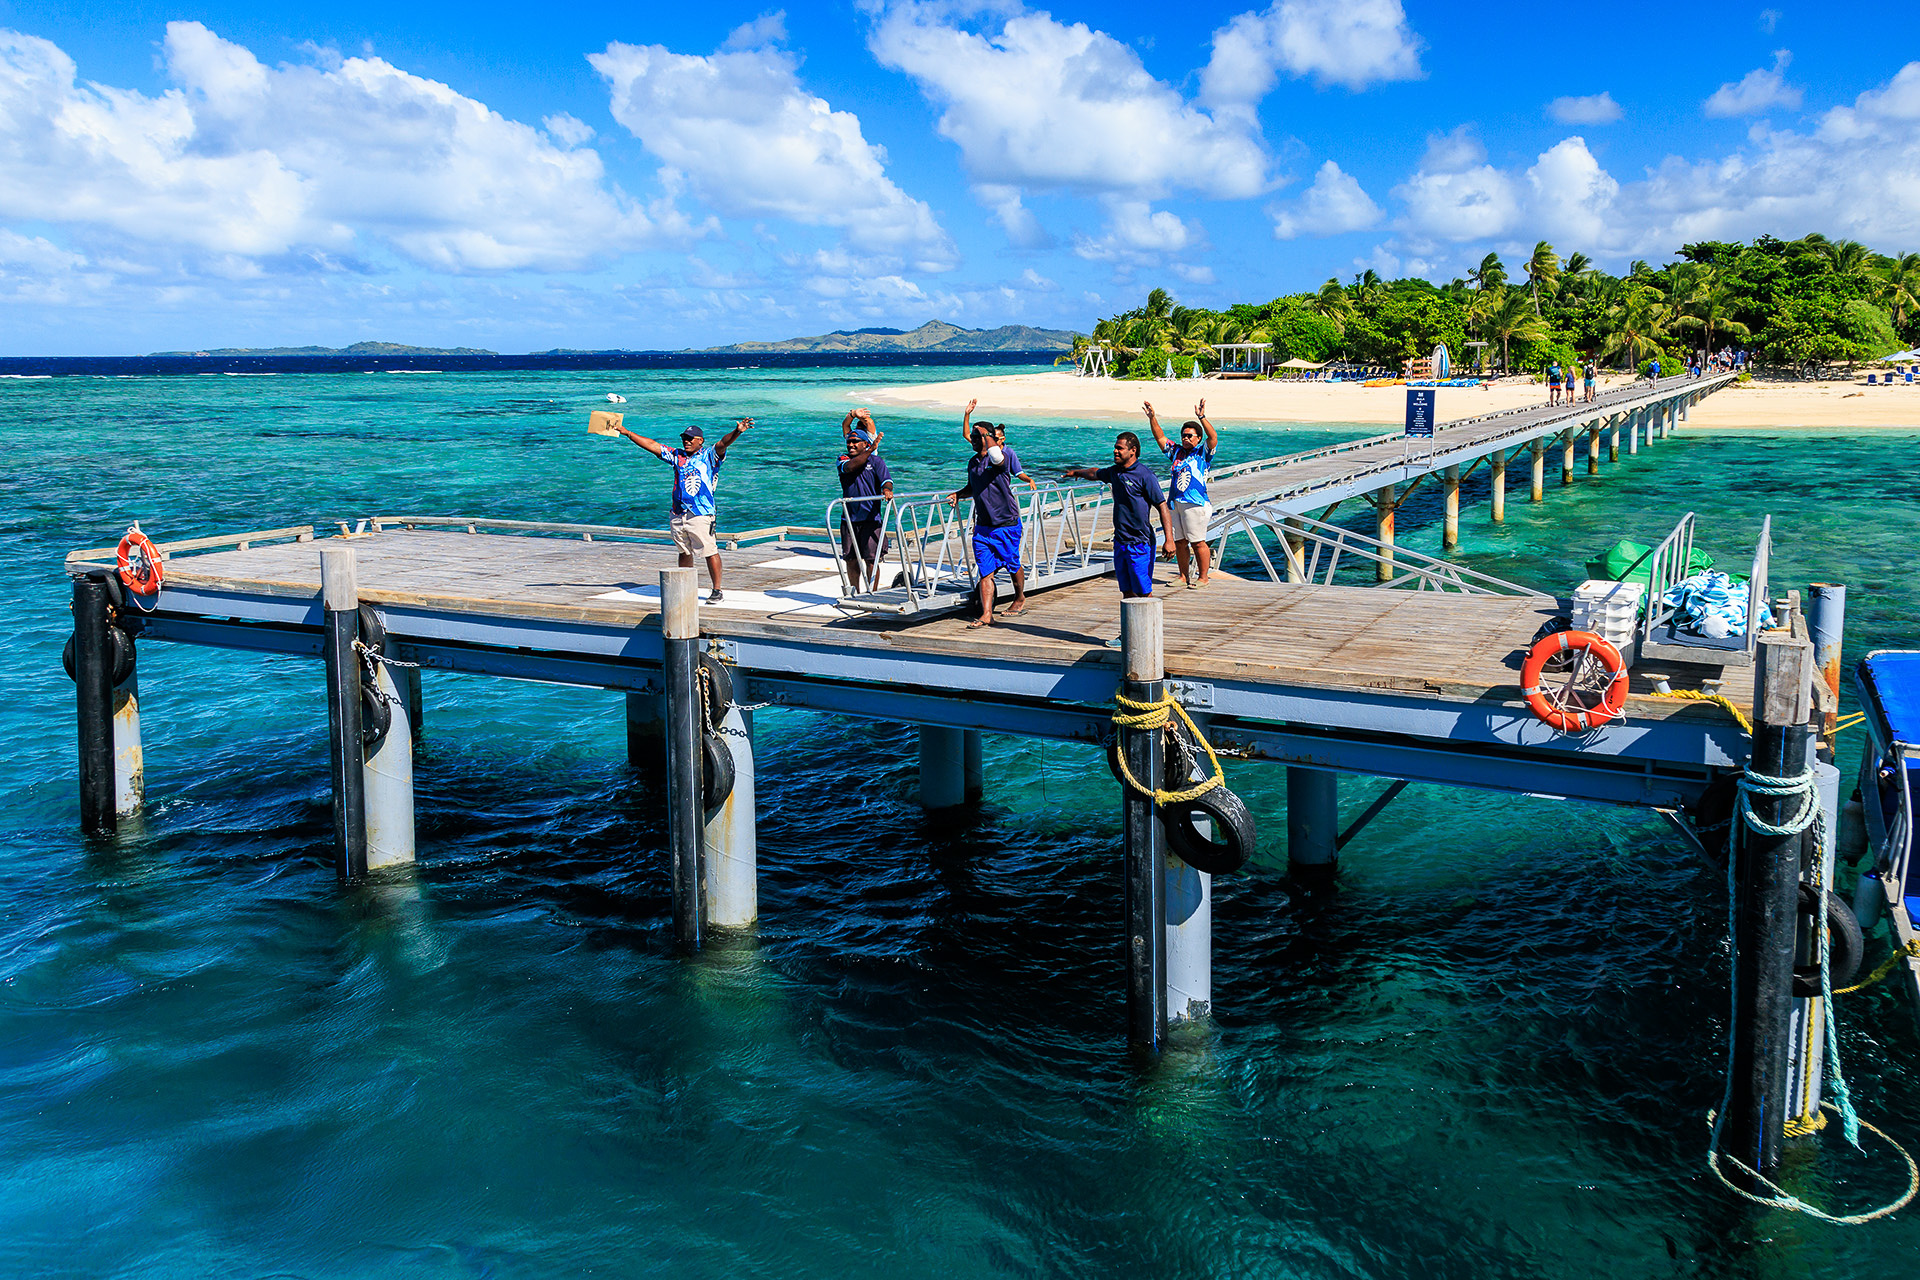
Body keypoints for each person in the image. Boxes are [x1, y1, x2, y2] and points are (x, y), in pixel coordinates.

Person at [611, 417, 753, 603]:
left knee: (709, 550)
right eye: (684, 438)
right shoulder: (677, 456)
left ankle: (717, 590)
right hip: (678, 512)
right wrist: (627, 433)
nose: (686, 441)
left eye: (690, 438)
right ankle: (685, 588)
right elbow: (652, 445)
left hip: (701, 512)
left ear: (700, 441)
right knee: (684, 551)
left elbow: (723, 443)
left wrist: (737, 432)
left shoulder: (709, 455)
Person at [1062, 433, 1175, 645]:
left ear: (1133, 451)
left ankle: (1150, 636)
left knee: (1143, 592)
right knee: (1126, 591)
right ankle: (1128, 635)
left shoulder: (1145, 475)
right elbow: (1095, 473)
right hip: (1120, 542)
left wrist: (1169, 539)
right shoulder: (1115, 472)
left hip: (1140, 542)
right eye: (1115, 447)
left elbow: (1162, 506)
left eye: (1120, 448)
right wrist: (1077, 472)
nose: (1115, 451)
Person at [947, 420, 1027, 628]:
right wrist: (958, 494)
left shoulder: (1001, 458)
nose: (972, 440)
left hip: (1006, 523)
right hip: (983, 527)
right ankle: (987, 614)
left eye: (977, 437)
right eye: (973, 437)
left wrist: (987, 435)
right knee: (985, 572)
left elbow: (997, 457)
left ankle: (1019, 597)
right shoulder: (973, 462)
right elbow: (972, 487)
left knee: (1013, 564)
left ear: (987, 438)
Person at [1141, 397, 1217, 588]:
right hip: (1175, 502)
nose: (1186, 438)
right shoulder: (1176, 452)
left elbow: (1213, 438)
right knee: (1180, 542)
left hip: (1195, 503)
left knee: (1198, 542)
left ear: (1198, 438)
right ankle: (1183, 577)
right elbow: (1160, 438)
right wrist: (1152, 417)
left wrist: (1202, 418)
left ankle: (1203, 577)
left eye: (1190, 435)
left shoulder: (1202, 453)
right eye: (1183, 435)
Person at [837, 427, 893, 592]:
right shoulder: (843, 459)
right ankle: (855, 592)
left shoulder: (877, 462)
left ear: (865, 443)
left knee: (871, 560)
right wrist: (870, 450)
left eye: (855, 442)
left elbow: (887, 480)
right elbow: (850, 467)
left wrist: (887, 490)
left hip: (871, 519)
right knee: (851, 559)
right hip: (849, 519)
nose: (851, 445)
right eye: (849, 442)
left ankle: (872, 593)